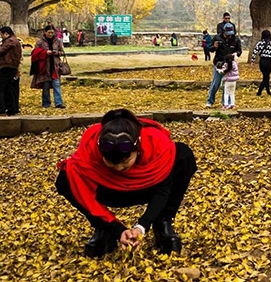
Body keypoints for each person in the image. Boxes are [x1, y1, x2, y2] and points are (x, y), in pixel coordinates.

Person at [55, 109, 197, 257]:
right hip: (107, 189)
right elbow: (82, 190)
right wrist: (116, 229)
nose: (119, 168)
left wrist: (142, 226)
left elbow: (163, 189)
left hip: (148, 186)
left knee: (183, 155)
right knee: (67, 178)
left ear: (138, 146)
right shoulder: (90, 147)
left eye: (125, 161)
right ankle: (103, 228)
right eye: (110, 162)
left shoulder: (155, 142)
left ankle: (163, 222)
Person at [206, 23, 242, 107]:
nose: (229, 36)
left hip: (229, 65)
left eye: (231, 34)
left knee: (227, 85)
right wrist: (214, 47)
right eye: (227, 34)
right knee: (215, 83)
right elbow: (210, 49)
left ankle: (226, 103)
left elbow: (239, 51)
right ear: (223, 32)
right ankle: (210, 101)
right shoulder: (217, 38)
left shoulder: (235, 40)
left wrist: (236, 53)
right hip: (219, 63)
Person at [31, 25, 66, 109]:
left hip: (55, 67)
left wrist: (56, 53)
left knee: (56, 84)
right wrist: (45, 53)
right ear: (45, 32)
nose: (51, 34)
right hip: (44, 67)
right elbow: (35, 52)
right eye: (49, 32)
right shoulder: (40, 42)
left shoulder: (57, 41)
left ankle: (58, 103)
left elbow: (62, 52)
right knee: (46, 86)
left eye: (52, 33)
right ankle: (46, 103)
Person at [0, 27, 22, 116]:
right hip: (12, 67)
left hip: (6, 66)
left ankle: (1, 108)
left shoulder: (10, 41)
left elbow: (1, 51)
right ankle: (12, 109)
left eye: (1, 35)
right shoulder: (15, 41)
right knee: (9, 88)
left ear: (6, 33)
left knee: (1, 88)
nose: (1, 37)